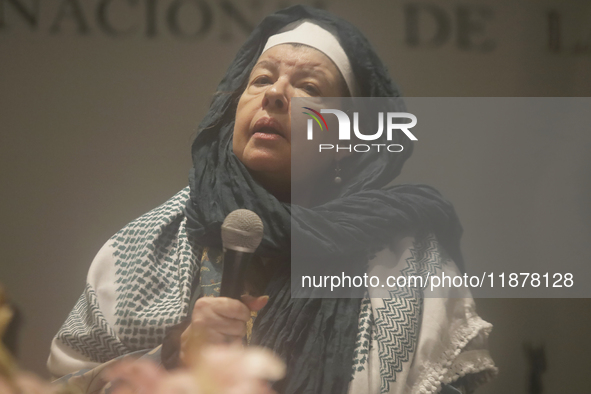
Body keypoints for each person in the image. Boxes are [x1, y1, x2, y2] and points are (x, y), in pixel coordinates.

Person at [48, 5, 496, 394]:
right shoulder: (145, 247)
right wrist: (171, 357)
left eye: (311, 88)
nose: (275, 94)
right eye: (261, 79)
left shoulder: (407, 260)